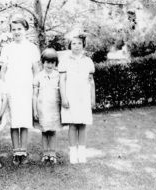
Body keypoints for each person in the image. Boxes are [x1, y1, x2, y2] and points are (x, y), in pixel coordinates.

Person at [0, 16, 41, 165]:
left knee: (24, 121)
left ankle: (23, 151)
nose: (17, 32)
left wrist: (36, 88)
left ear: (25, 30)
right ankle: (16, 152)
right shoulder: (7, 48)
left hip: (26, 88)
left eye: (19, 29)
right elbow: (2, 71)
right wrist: (4, 88)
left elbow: (36, 71)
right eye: (14, 29)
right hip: (11, 88)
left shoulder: (32, 47)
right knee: (14, 122)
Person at [58, 29, 96, 164]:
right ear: (70, 45)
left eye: (79, 43)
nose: (76, 46)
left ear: (83, 45)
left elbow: (91, 81)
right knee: (73, 124)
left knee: (83, 124)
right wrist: (64, 97)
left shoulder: (88, 61)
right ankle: (73, 153)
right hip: (71, 95)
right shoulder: (64, 60)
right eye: (73, 43)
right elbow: (62, 81)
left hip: (83, 96)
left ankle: (82, 153)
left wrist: (93, 98)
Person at [33, 48, 62, 164]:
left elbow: (62, 92)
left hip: (54, 107)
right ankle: (46, 153)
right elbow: (34, 95)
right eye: (47, 62)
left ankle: (52, 153)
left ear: (55, 63)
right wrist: (35, 109)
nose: (49, 65)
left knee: (53, 131)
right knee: (44, 131)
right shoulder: (38, 76)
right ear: (43, 62)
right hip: (42, 108)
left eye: (52, 62)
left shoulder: (58, 76)